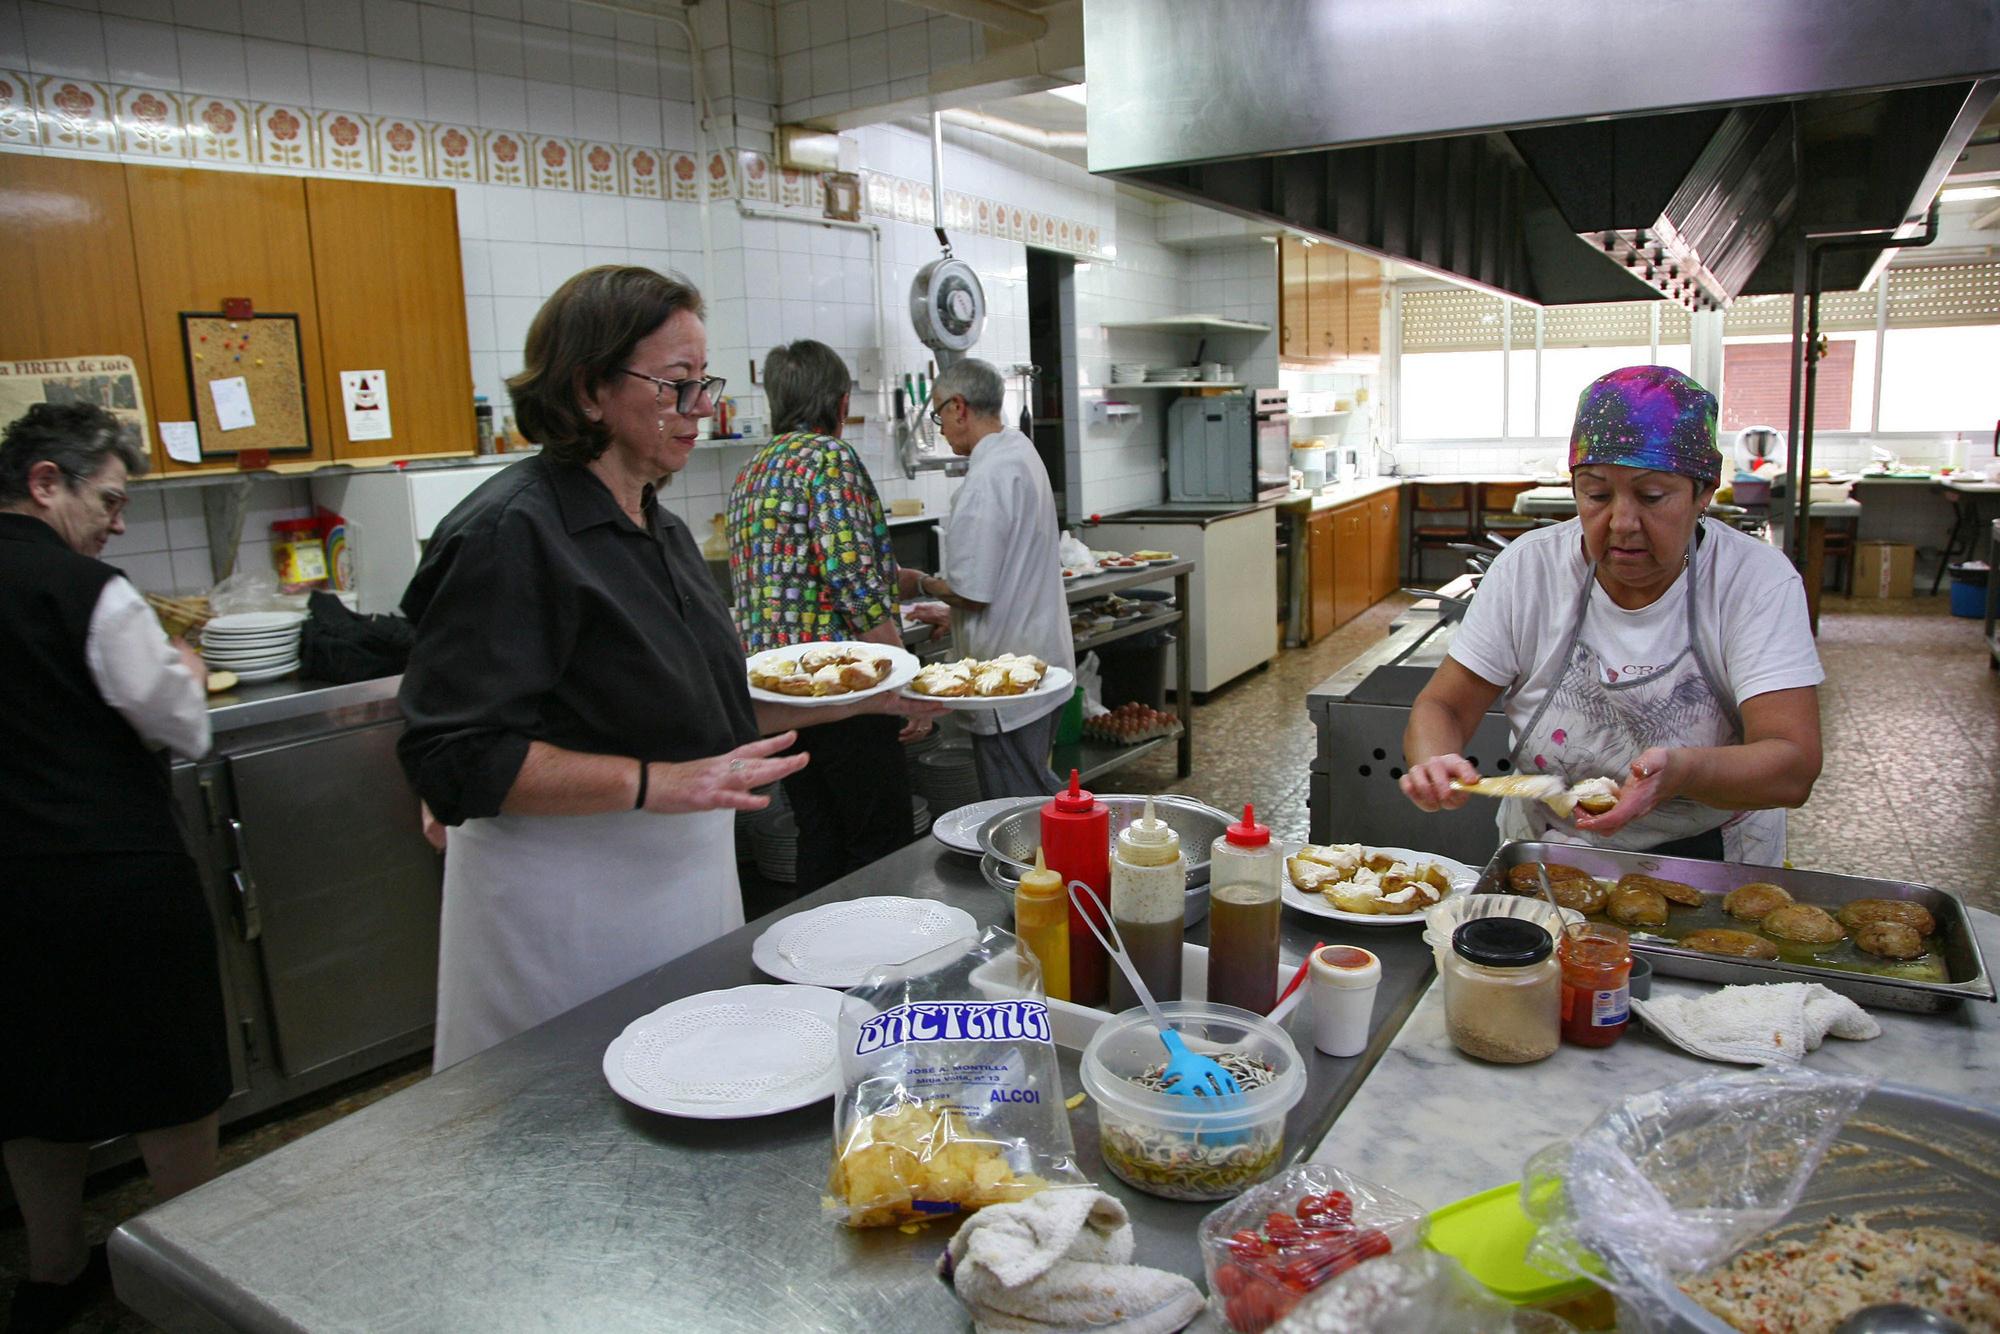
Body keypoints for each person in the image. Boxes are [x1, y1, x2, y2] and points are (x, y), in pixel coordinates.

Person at [399, 268, 936, 1070]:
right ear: (588, 390)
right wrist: (651, 784)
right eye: (677, 385)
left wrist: (864, 700)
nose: (703, 409)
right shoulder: (512, 532)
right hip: (564, 920)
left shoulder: (660, 527)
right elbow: (454, 757)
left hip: (678, 891)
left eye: (705, 384)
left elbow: (710, 711)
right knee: (564, 1130)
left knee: (692, 1083)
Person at [1399, 365, 1824, 864]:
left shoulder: (1753, 582)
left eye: (1651, 496)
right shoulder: (1529, 570)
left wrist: (1683, 773)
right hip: (1547, 853)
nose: (1622, 523)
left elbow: (1793, 766)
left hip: (1710, 859)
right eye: (1596, 494)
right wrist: (1434, 760)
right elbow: (1443, 707)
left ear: (1704, 493)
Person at [1, 404, 229, 1334]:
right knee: (169, 1073)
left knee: (30, 1083)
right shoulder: (88, 590)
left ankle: (51, 1274)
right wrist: (180, 663)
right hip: (115, 876)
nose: (119, 521)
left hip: (8, 884)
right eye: (110, 498)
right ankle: (192, 1266)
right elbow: (182, 723)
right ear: (46, 483)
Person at [726, 339, 929, 891]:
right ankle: (879, 967)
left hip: (778, 695)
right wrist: (903, 680)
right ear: (841, 405)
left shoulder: (752, 471)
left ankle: (818, 964)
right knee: (877, 841)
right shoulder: (828, 459)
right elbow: (854, 584)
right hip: (842, 691)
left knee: (820, 834)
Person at [897, 358, 1076, 799]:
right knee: (1037, 793)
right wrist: (950, 610)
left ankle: (1068, 861)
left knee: (1021, 810)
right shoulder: (1019, 450)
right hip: (1041, 660)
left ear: (960, 407)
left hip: (1008, 679)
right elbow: (1007, 571)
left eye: (939, 414)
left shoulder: (986, 477)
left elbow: (972, 595)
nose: (940, 428)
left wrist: (918, 583)